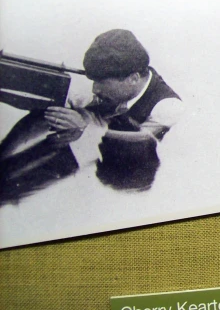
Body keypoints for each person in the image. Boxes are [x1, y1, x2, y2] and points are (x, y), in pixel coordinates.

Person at [1, 29, 183, 198]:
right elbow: (76, 98)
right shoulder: (117, 79)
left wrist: (84, 127)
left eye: (101, 82)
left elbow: (134, 154)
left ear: (133, 78)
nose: (95, 89)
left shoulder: (168, 107)